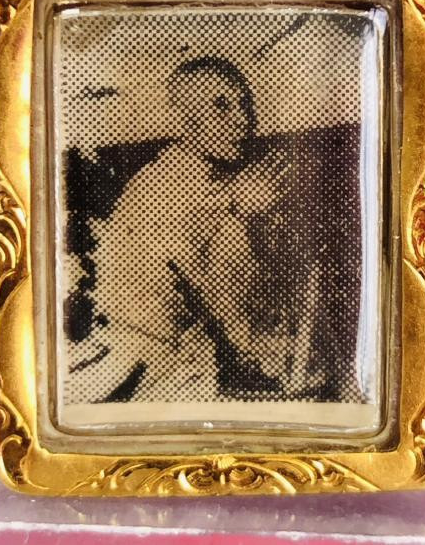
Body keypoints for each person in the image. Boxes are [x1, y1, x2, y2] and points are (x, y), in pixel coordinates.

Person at [65, 56, 299, 405]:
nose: (242, 119)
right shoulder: (170, 186)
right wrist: (246, 217)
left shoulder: (204, 180)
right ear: (187, 121)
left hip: (172, 352)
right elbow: (236, 323)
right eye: (221, 106)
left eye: (244, 104)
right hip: (148, 366)